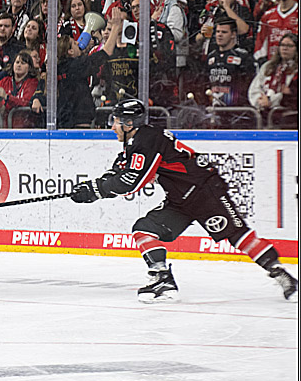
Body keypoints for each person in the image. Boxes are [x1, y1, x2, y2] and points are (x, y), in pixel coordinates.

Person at [70, 98, 297, 303]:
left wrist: (96, 190)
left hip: (205, 192)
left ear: (129, 123)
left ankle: (281, 274)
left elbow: (131, 182)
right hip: (180, 199)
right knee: (144, 230)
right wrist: (93, 188)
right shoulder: (137, 141)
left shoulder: (146, 140)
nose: (112, 127)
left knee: (237, 235)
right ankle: (162, 278)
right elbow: (120, 170)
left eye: (116, 121)